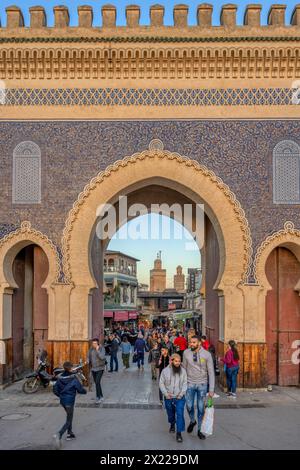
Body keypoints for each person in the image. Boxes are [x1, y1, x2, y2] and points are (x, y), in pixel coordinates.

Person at [182, 335, 215, 440]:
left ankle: (200, 430)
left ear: (199, 343)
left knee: (201, 408)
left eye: (194, 342)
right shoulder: (186, 353)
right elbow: (184, 368)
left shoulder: (207, 354)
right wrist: (183, 384)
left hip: (202, 385)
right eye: (190, 342)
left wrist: (211, 390)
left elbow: (211, 372)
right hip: (190, 383)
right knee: (189, 406)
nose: (191, 344)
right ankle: (192, 421)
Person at [53, 361, 87, 449]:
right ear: (70, 369)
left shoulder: (60, 378)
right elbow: (80, 390)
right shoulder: (74, 379)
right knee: (69, 419)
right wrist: (84, 391)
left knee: (69, 416)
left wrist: (61, 395)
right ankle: (59, 434)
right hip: (69, 402)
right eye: (72, 368)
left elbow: (55, 390)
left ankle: (70, 434)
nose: (73, 369)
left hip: (63, 401)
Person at [159, 353, 188, 443]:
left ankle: (179, 433)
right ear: (171, 361)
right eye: (176, 361)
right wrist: (166, 394)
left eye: (179, 361)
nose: (178, 363)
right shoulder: (165, 371)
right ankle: (172, 424)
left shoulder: (183, 371)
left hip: (180, 397)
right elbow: (161, 383)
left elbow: (185, 383)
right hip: (169, 397)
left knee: (180, 414)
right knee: (170, 414)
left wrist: (181, 393)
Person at [87, 338, 106, 403]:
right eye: (93, 343)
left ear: (98, 343)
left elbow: (102, 357)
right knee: (97, 383)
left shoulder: (101, 348)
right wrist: (87, 361)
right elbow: (88, 356)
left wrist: (97, 351)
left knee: (97, 382)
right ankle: (101, 396)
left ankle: (98, 397)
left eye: (95, 343)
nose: (94, 345)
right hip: (93, 368)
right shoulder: (91, 349)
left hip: (100, 368)